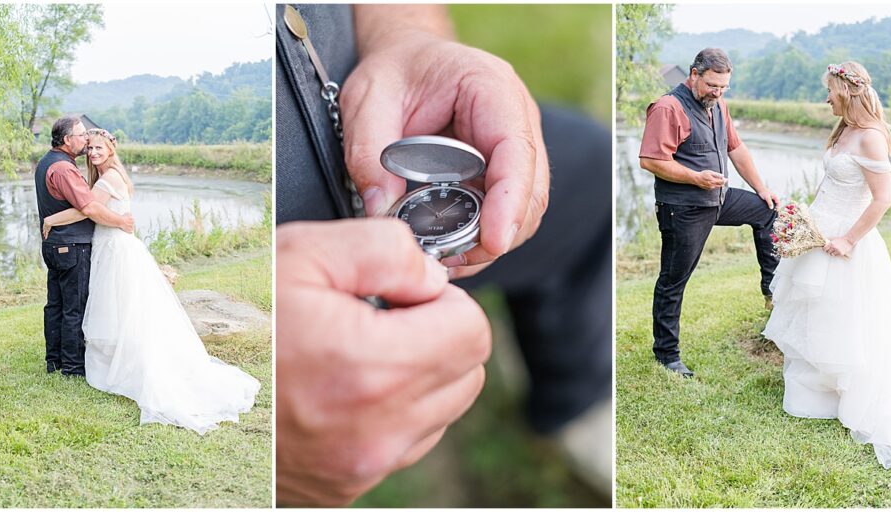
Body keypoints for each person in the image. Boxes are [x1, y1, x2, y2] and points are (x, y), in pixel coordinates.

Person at [276, 4, 611, 506]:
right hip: (296, 287)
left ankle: (574, 405)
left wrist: (407, 34)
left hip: (402, 130)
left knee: (593, 169)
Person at [763, 62, 891, 475]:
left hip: (847, 244)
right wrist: (803, 218)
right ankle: (819, 392)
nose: (825, 98)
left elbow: (882, 198)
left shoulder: (871, 137)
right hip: (819, 234)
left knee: (846, 317)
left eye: (829, 90)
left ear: (847, 92)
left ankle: (852, 392)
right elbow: (829, 183)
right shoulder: (843, 130)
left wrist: (848, 239)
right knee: (816, 314)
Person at [43, 129, 260, 435]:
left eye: (98, 148)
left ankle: (132, 364)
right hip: (111, 246)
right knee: (118, 307)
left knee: (125, 308)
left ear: (110, 149)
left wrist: (51, 220)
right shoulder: (107, 176)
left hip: (117, 249)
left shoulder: (109, 179)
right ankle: (116, 355)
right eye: (89, 148)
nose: (92, 152)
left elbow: (86, 210)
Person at [638, 47, 779, 378]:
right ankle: (667, 355)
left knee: (767, 210)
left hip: (719, 198)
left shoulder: (719, 106)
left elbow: (736, 148)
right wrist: (695, 177)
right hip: (683, 208)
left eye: (723, 87)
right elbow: (650, 160)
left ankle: (771, 289)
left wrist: (761, 187)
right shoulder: (668, 108)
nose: (717, 92)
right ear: (694, 74)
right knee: (674, 280)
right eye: (712, 85)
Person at [34, 116, 134, 376]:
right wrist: (120, 221)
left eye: (94, 143)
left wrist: (51, 220)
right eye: (82, 137)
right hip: (71, 245)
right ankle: (73, 367)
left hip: (55, 244)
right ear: (68, 140)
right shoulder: (65, 169)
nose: (87, 142)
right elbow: (88, 208)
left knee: (55, 304)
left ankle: (54, 361)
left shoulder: (47, 161)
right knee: (74, 307)